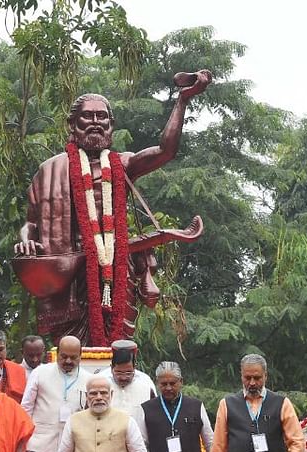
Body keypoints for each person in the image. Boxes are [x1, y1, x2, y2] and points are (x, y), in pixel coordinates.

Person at [13, 71, 212, 346]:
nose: (95, 123)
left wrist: (183, 100)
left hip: (116, 268)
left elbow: (166, 151)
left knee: (118, 345)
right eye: (87, 117)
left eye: (102, 117)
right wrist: (26, 242)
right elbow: (31, 224)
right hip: (70, 272)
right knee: (72, 349)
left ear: (111, 125)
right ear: (72, 124)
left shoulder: (123, 164)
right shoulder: (51, 170)